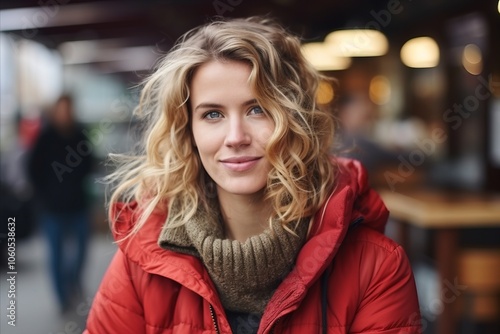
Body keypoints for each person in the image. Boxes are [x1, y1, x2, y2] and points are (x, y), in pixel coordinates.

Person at [84, 17, 421, 333]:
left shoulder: (377, 267)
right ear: (189, 132)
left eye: (257, 109)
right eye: (212, 114)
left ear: (295, 120)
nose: (235, 137)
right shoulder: (142, 261)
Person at [27, 94, 93, 313]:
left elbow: (90, 163)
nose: (65, 114)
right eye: (61, 109)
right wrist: (44, 194)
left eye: (68, 109)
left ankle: (73, 281)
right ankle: (62, 298)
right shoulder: (45, 137)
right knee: (55, 255)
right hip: (52, 209)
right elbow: (32, 169)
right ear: (56, 111)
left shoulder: (79, 134)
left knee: (81, 250)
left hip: (77, 205)